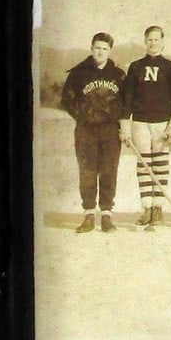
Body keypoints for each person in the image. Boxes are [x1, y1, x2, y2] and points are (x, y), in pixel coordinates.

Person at [60, 32, 127, 233]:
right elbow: (67, 99)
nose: (100, 52)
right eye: (97, 47)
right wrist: (83, 116)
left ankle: (106, 215)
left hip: (110, 129)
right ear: (91, 48)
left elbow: (126, 102)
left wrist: (122, 124)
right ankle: (89, 214)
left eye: (105, 48)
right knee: (87, 171)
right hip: (86, 130)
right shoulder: (79, 73)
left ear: (110, 51)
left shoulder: (118, 75)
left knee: (109, 170)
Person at [121, 25, 171, 228]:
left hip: (162, 123)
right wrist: (125, 124)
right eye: (149, 39)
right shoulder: (136, 67)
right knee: (144, 164)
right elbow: (127, 98)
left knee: (161, 163)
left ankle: (158, 207)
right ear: (145, 41)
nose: (153, 43)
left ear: (162, 41)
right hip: (140, 122)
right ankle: (146, 207)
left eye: (156, 39)